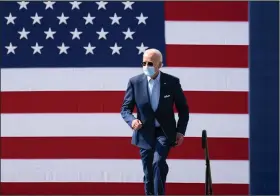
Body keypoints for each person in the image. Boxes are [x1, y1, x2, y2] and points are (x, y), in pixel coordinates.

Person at [120, 48, 189, 195]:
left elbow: (183, 109)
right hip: (144, 133)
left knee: (158, 162)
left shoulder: (172, 82)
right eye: (143, 63)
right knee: (148, 172)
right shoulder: (135, 82)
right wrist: (132, 121)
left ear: (160, 65)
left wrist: (180, 131)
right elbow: (125, 109)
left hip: (164, 132)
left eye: (150, 63)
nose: (146, 66)